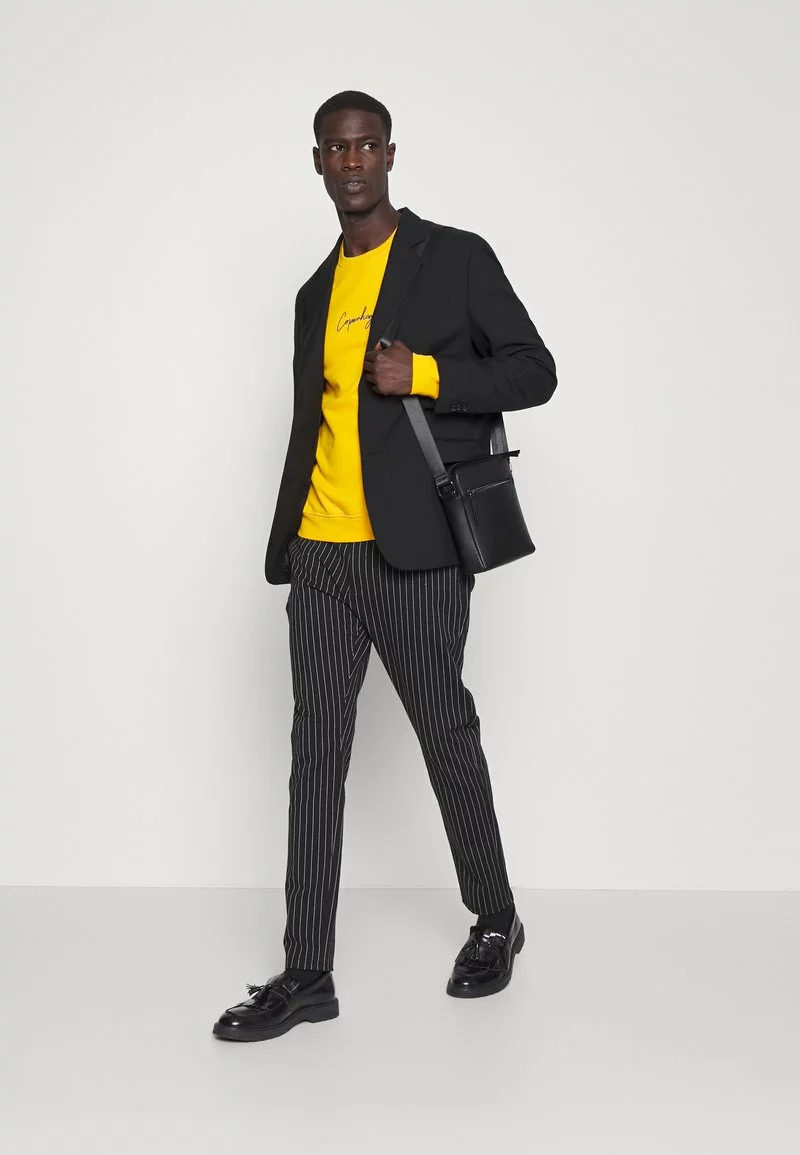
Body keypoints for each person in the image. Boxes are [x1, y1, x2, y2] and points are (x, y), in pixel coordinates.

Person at [213, 90, 557, 1042]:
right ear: (318, 163)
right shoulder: (312, 294)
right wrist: (289, 542)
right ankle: (306, 972)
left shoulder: (455, 258)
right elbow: (312, 425)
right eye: (337, 148)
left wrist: (430, 375)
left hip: (417, 557)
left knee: (445, 731)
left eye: (367, 144)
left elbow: (535, 370)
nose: (353, 160)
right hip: (322, 554)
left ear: (391, 155)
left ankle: (496, 918)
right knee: (315, 756)